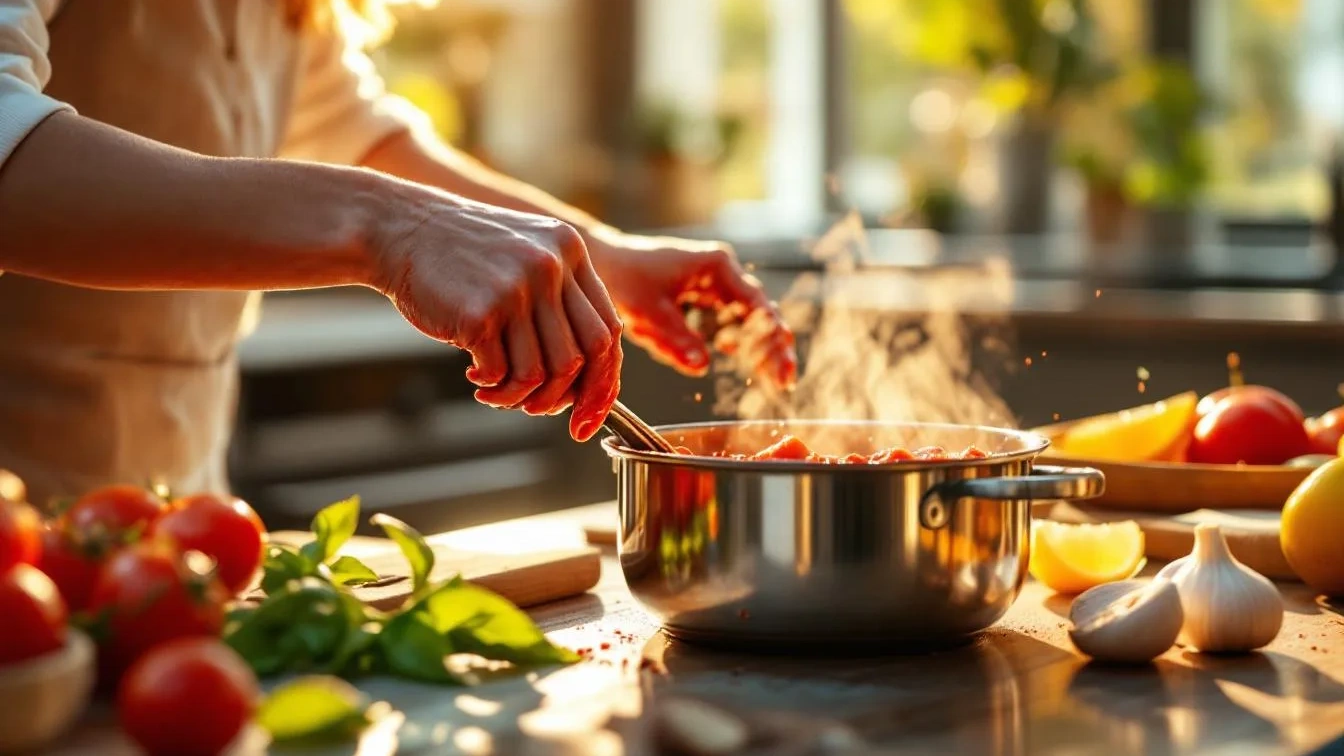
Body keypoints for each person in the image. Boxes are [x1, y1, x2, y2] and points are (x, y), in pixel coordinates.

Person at [0, 0, 796, 504]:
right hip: (22, 536)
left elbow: (360, 135)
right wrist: (392, 230)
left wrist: (604, 258)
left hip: (182, 532)